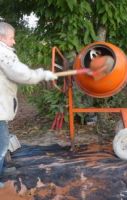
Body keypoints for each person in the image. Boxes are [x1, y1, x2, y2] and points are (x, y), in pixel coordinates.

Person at [0, 22, 57, 185]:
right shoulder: (2, 52)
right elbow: (19, 73)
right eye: (12, 38)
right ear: (1, 37)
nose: (14, 41)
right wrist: (43, 74)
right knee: (2, 145)